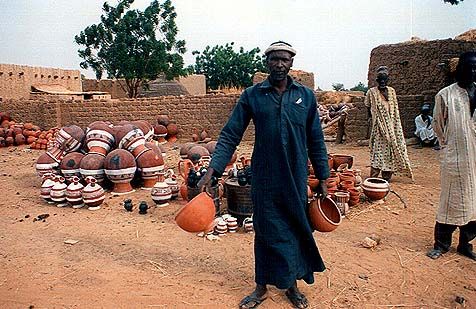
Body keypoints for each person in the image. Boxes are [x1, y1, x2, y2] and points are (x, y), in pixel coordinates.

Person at [199, 41, 330, 309]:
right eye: (274, 60)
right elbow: (230, 134)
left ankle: (291, 285)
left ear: (292, 62)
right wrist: (213, 170)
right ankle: (261, 286)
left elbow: (316, 140)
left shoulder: (305, 97)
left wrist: (324, 178)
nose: (279, 64)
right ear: (267, 62)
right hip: (265, 176)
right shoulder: (253, 95)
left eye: (284, 60)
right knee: (266, 228)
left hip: (294, 175)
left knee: (294, 226)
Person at [426, 51, 476, 261]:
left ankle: (466, 244)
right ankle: (442, 244)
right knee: (451, 201)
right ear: (460, 69)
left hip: (475, 158)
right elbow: (438, 126)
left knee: (474, 203)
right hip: (455, 158)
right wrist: (449, 149)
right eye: (470, 67)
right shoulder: (445, 95)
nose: (473, 71)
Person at [364, 66, 413, 181]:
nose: (382, 82)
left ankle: (387, 175)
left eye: (384, 80)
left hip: (392, 127)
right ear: (377, 81)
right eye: (380, 80)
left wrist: (394, 127)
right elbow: (368, 108)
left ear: (387, 81)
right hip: (379, 127)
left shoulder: (391, 91)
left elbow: (395, 111)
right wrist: (373, 121)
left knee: (390, 150)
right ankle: (374, 175)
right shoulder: (371, 92)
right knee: (378, 150)